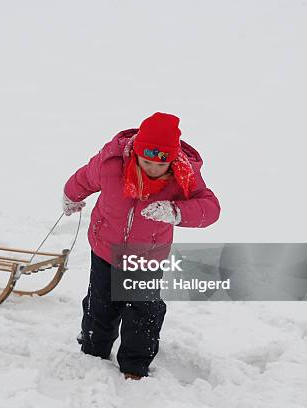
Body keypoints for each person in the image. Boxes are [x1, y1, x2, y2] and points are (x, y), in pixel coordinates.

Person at [62, 112, 221, 380]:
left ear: (171, 160)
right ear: (136, 152)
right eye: (146, 161)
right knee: (100, 304)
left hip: (147, 257)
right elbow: (85, 177)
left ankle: (134, 366)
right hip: (104, 248)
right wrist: (70, 195)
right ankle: (93, 352)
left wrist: (176, 211)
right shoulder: (112, 162)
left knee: (142, 311)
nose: (152, 168)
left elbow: (210, 208)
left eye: (160, 164)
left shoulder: (183, 175)